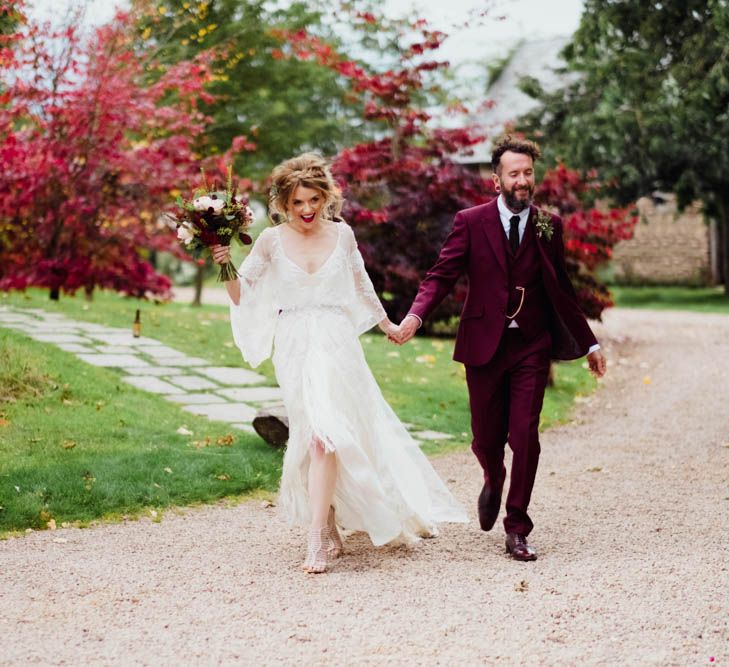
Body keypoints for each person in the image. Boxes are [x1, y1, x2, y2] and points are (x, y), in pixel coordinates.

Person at [212, 153, 468, 574]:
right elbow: (243, 296)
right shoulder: (270, 241)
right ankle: (325, 521)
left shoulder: (343, 234)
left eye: (313, 200)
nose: (307, 210)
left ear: (327, 196)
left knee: (327, 436)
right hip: (295, 343)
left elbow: (361, 286)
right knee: (314, 434)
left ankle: (315, 537)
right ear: (283, 203)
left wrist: (389, 324)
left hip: (336, 342)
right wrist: (225, 264)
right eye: (297, 203)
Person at [391, 136, 607, 561]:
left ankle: (517, 526)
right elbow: (441, 275)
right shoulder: (470, 222)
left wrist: (590, 343)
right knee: (486, 439)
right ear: (497, 181)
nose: (523, 180)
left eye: (528, 172)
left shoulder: (549, 225)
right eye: (515, 173)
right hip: (483, 344)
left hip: (531, 344)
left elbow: (562, 289)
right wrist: (416, 316)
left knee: (525, 435)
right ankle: (493, 475)